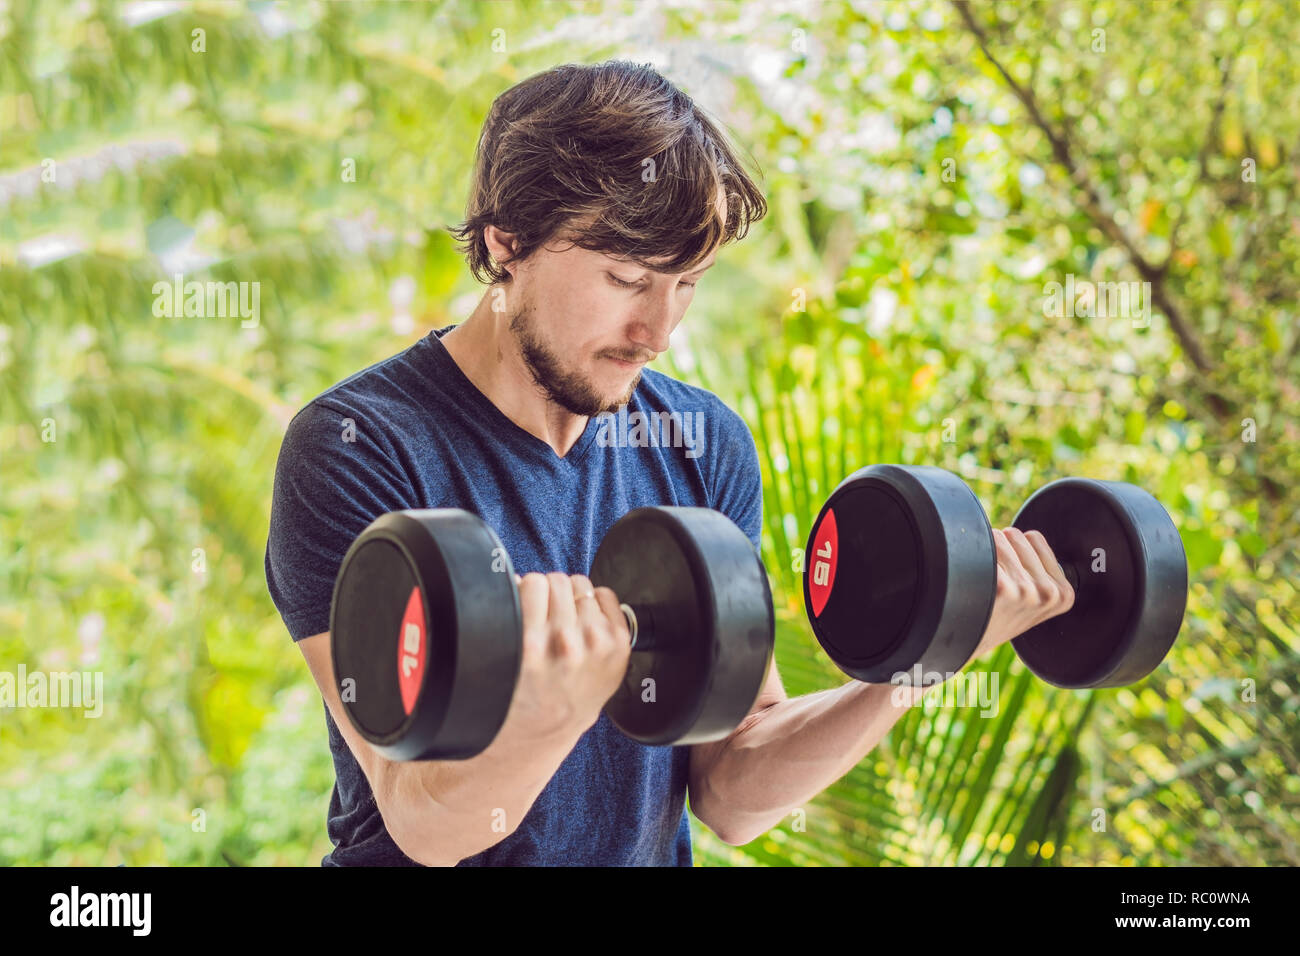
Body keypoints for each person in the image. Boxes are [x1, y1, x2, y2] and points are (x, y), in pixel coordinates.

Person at [264, 59, 1074, 866]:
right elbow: (425, 823)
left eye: (687, 283)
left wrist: (921, 664)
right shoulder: (357, 450)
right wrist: (551, 708)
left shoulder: (702, 444)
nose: (659, 330)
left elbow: (730, 791)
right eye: (626, 278)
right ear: (505, 239)